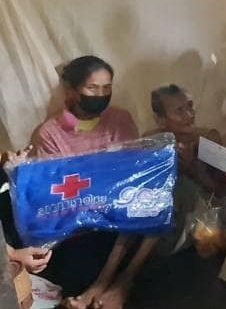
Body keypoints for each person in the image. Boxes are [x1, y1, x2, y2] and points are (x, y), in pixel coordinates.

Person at [28, 56, 149, 309]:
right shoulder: (50, 133)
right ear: (72, 91)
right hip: (80, 225)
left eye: (107, 88)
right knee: (80, 271)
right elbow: (57, 191)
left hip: (120, 214)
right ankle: (105, 288)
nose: (101, 95)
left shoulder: (120, 119)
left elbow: (131, 171)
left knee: (151, 208)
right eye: (92, 88)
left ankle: (117, 285)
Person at [145, 84, 226, 255]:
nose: (189, 115)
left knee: (182, 185)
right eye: (180, 111)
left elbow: (222, 192)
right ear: (160, 120)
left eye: (190, 107)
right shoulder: (151, 141)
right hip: (162, 217)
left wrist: (193, 169)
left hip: (201, 219)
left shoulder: (208, 139)